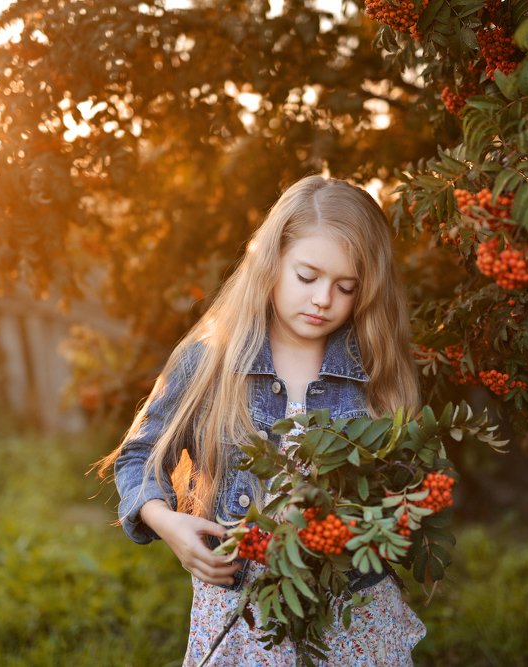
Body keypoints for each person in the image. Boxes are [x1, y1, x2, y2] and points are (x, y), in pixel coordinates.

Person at [94, 175, 426, 665]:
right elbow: (142, 454)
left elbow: (406, 492)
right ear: (271, 263)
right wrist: (166, 522)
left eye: (345, 287)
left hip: (350, 612)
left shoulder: (375, 371)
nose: (322, 299)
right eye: (307, 276)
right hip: (242, 612)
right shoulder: (210, 363)